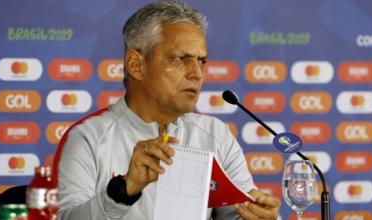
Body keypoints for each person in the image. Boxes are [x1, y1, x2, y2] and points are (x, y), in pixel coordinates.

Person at [54, 1, 281, 219]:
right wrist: (123, 190)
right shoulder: (88, 138)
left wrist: (260, 217)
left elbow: (238, 214)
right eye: (181, 59)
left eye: (201, 61)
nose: (197, 74)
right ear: (136, 65)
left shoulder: (215, 134)